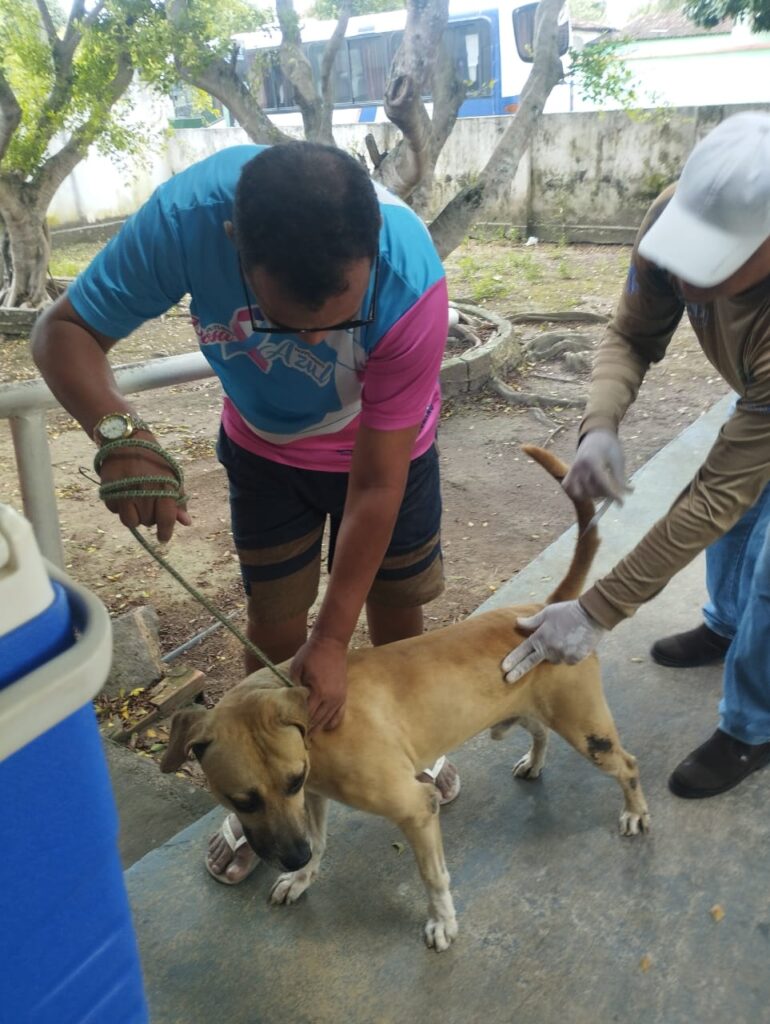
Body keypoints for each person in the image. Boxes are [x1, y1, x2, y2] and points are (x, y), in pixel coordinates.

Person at [32, 141, 460, 885]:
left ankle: (413, 746)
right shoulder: (185, 222)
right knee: (274, 628)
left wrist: (335, 637)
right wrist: (118, 433)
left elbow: (376, 486)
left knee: (398, 618)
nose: (321, 341)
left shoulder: (412, 280)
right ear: (234, 245)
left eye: (345, 319)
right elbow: (61, 333)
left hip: (389, 454)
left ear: (373, 249)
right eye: (288, 323)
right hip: (266, 450)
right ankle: (257, 777)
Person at [501, 111, 770, 800]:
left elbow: (716, 493)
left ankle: (754, 726)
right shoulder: (670, 217)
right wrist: (600, 426)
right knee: (739, 526)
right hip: (759, 399)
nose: (685, 277)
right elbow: (631, 334)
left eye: (714, 259)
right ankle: (725, 626)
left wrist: (597, 610)